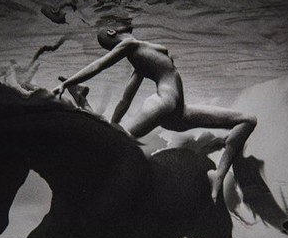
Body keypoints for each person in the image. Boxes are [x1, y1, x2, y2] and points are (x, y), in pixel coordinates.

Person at [53, 24, 257, 202]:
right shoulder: (129, 44)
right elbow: (98, 65)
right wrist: (67, 83)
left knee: (247, 120)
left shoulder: (140, 59)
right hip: (164, 103)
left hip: (179, 113)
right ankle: (81, 100)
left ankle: (218, 176)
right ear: (112, 31)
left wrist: (114, 125)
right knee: (118, 142)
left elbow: (125, 100)